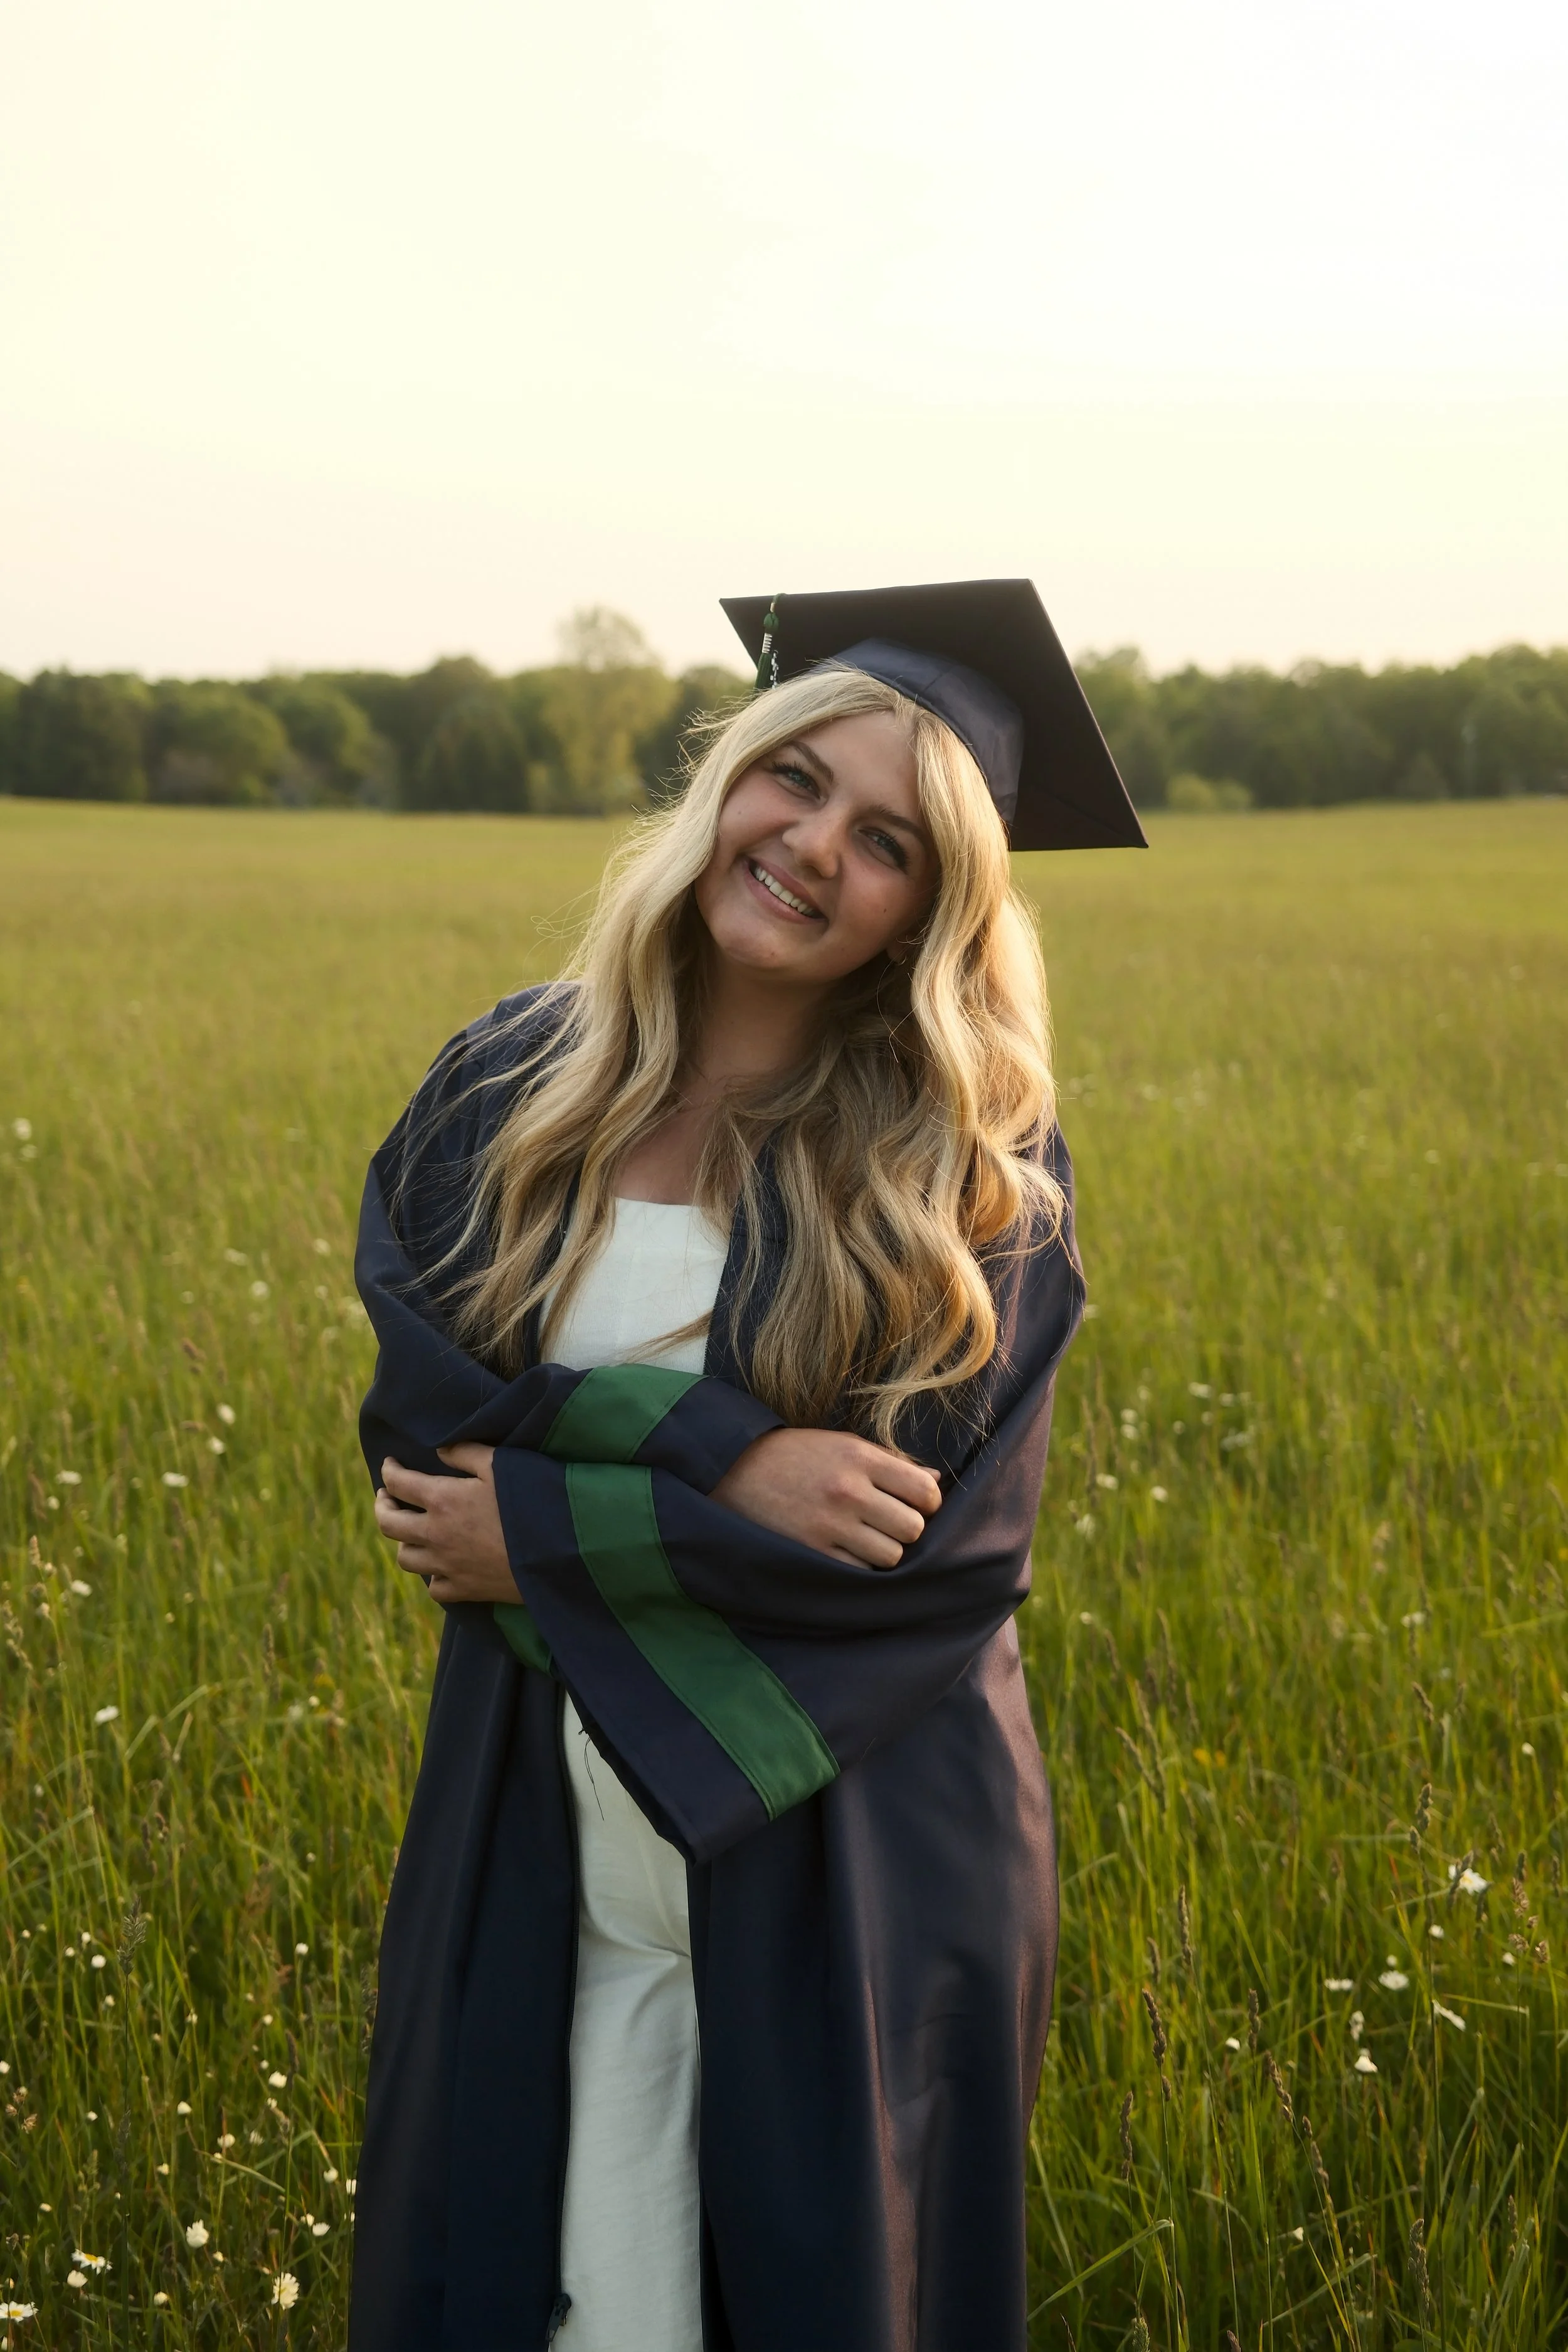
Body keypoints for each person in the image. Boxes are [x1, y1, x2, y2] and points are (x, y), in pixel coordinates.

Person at [349, 581, 1145, 2352]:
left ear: (925, 921)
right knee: (546, 2279)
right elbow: (427, 1449)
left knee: (813, 2285)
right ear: (731, 774)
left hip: (844, 1854)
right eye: (796, 780)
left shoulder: (963, 1176)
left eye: (885, 844)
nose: (810, 847)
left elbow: (916, 1555)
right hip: (544, 1814)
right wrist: (736, 1458)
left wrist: (548, 1526)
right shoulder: (511, 1081)